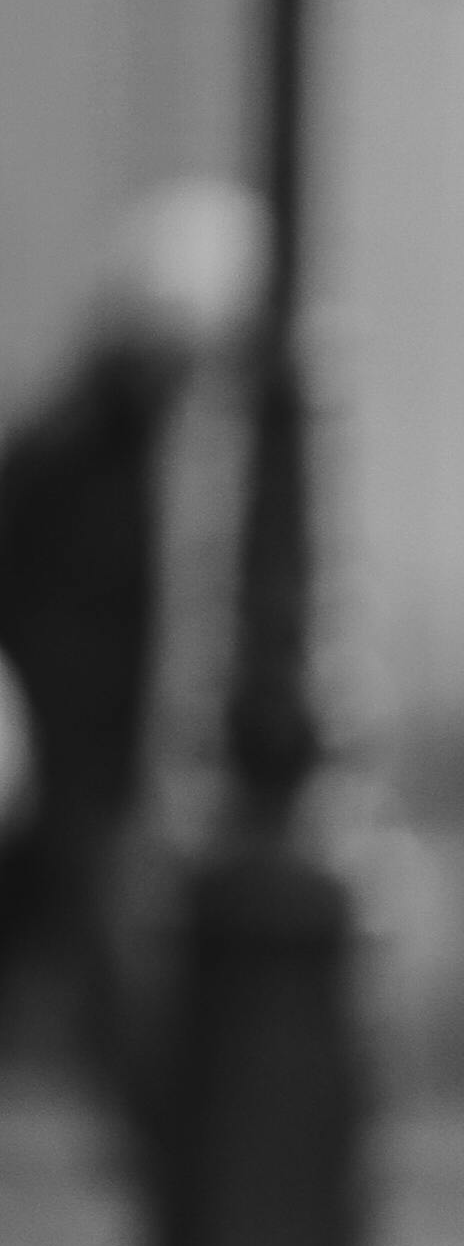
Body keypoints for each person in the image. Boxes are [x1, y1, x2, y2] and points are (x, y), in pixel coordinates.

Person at [0, 178, 265, 1110]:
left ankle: (168, 1132)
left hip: (128, 752)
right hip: (72, 746)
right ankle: (167, 1134)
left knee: (107, 950)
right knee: (110, 953)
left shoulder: (187, 453)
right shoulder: (70, 451)